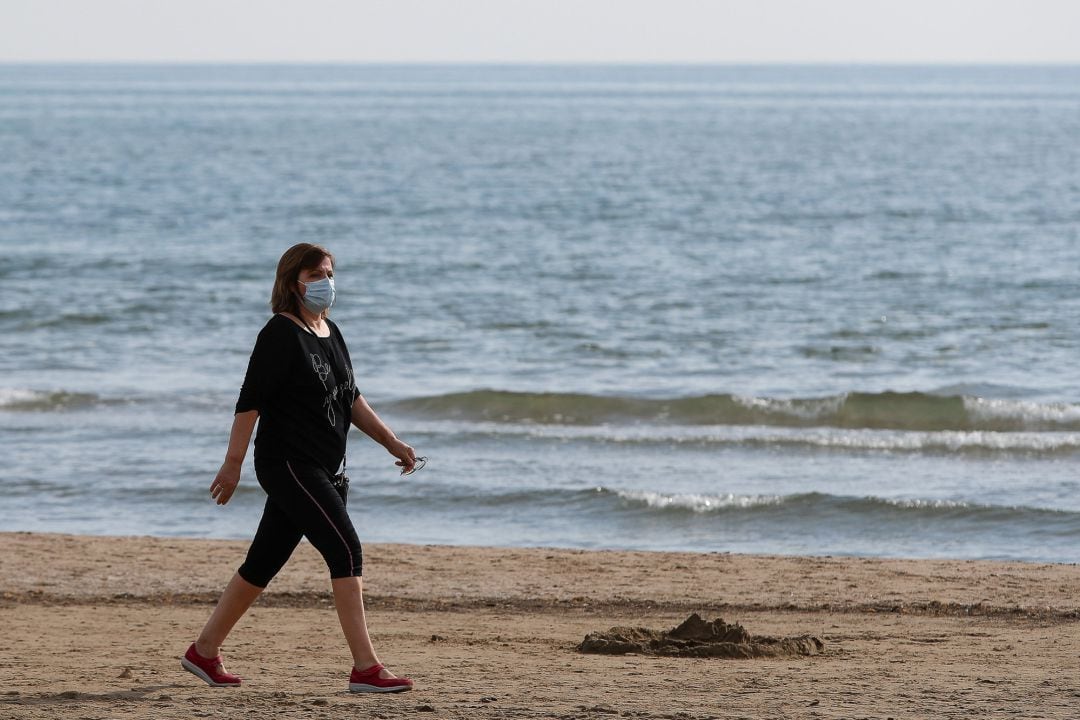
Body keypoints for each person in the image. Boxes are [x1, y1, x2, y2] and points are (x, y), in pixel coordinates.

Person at [180, 243, 419, 693]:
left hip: (327, 467)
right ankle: (366, 668)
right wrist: (232, 465)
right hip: (289, 464)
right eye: (316, 274)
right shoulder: (279, 334)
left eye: (330, 272)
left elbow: (350, 398)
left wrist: (392, 442)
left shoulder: (331, 330)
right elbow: (248, 404)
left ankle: (204, 651)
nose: (326, 281)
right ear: (294, 281)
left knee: (264, 561)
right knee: (346, 550)